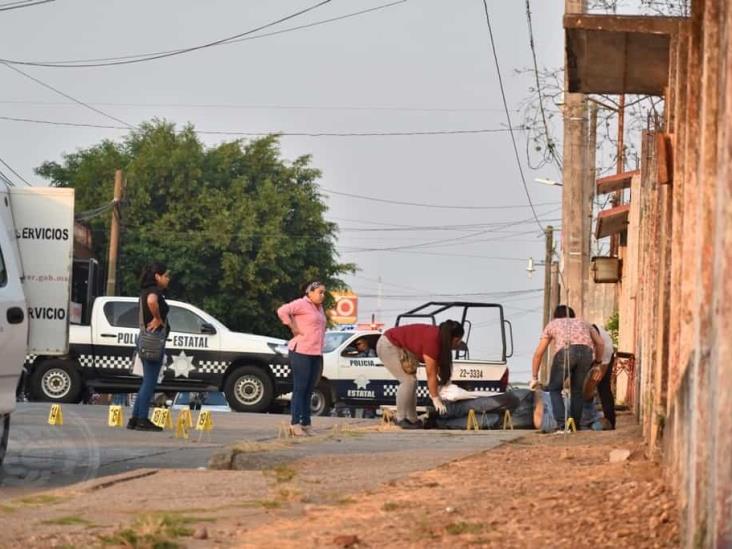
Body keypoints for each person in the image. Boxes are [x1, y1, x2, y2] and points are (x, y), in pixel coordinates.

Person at [376, 320, 465, 429]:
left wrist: (447, 387)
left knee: (412, 381)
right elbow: (431, 374)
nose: (458, 344)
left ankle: (412, 419)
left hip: (396, 345)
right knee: (408, 381)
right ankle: (400, 419)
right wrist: (435, 399)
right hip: (388, 344)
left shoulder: (440, 340)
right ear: (454, 338)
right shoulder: (433, 341)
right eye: (458, 340)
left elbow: (440, 370)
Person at [530, 305, 604, 430]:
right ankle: (575, 425)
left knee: (554, 388)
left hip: (565, 351)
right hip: (586, 353)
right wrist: (597, 363)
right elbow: (600, 343)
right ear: (572, 315)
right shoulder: (584, 323)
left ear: (556, 316)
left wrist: (534, 377)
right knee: (577, 391)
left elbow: (538, 354)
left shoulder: (553, 324)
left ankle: (562, 425)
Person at [277, 280, 327, 437]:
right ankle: (295, 423)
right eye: (320, 292)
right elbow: (282, 310)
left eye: (324, 292)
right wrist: (292, 326)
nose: (322, 295)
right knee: (300, 388)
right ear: (310, 292)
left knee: (310, 389)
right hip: (301, 351)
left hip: (316, 352)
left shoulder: (319, 308)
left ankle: (306, 423)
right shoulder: (301, 303)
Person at [128, 262, 171, 432]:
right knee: (150, 382)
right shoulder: (154, 292)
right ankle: (142, 420)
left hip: (144, 339)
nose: (167, 279)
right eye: (165, 276)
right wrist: (158, 318)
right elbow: (152, 301)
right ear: (157, 277)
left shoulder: (144, 290)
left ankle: (134, 418)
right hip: (153, 341)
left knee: (146, 381)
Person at [591, 323, 616, 429]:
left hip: (605, 357)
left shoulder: (605, 346)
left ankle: (610, 421)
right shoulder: (589, 330)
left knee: (604, 387)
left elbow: (603, 367)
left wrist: (597, 368)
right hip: (596, 355)